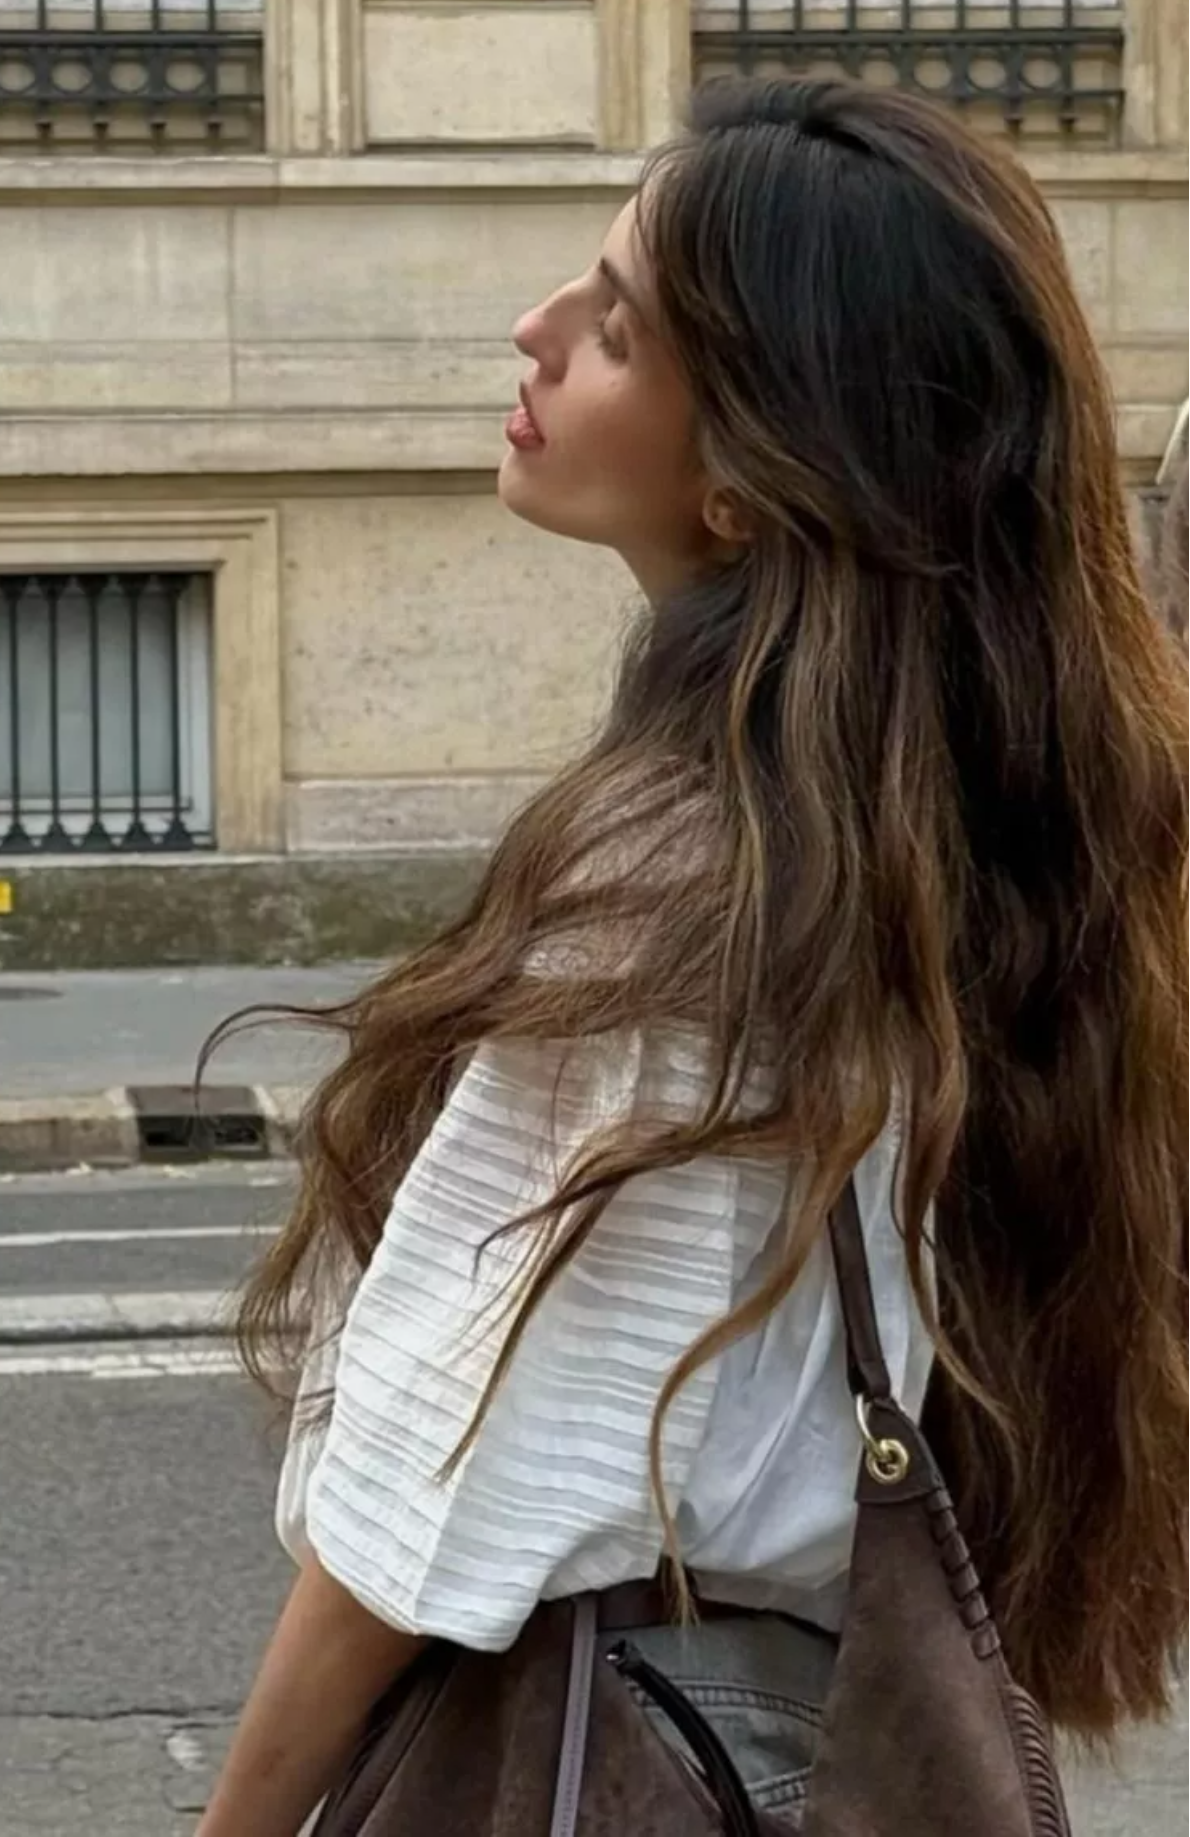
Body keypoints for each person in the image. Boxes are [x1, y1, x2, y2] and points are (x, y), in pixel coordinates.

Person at [197, 79, 1188, 1837]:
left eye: (615, 327)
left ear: (747, 478)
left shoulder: (684, 878)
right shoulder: (963, 833)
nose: (533, 329)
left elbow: (429, 1500)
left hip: (607, 1750)